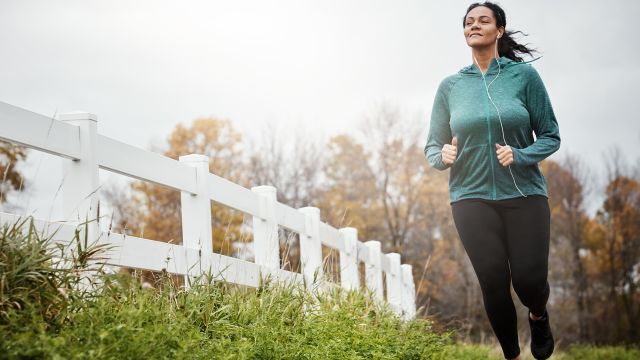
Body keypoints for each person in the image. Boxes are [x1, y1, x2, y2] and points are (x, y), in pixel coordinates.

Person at [423, 2, 560, 359]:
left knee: (529, 281)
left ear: (499, 30)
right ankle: (512, 355)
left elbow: (550, 134)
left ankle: (538, 314)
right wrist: (443, 157)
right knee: (493, 282)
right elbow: (433, 145)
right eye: (469, 21)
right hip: (470, 196)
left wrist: (522, 153)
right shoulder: (451, 86)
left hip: (525, 193)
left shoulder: (523, 77)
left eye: (484, 20)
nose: (475, 25)